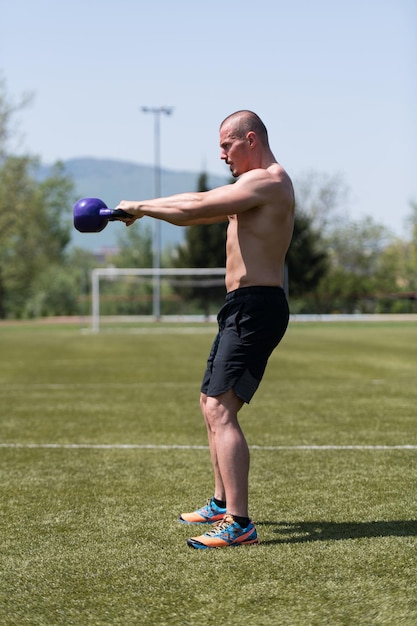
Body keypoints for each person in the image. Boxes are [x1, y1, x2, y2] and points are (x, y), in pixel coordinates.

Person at [116, 110, 295, 549]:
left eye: (226, 145)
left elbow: (194, 205)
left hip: (257, 307)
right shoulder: (247, 189)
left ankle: (239, 522)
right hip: (239, 305)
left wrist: (139, 206)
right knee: (208, 403)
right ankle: (220, 503)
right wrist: (147, 212)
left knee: (220, 409)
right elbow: (194, 216)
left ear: (250, 139)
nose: (221, 155)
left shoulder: (268, 181)